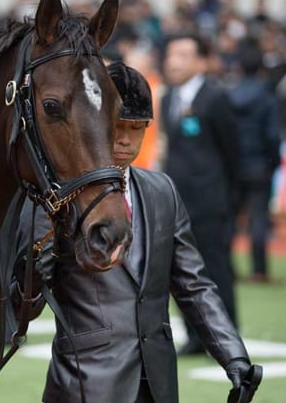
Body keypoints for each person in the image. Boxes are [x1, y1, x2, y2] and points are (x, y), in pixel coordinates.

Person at [15, 62, 252, 403]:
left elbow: (194, 285)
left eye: (138, 127)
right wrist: (36, 256)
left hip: (158, 384)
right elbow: (24, 304)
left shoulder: (162, 190)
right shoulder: (56, 198)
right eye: (118, 125)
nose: (126, 139)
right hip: (84, 385)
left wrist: (234, 357)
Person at [160, 32, 240, 355]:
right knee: (180, 273)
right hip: (176, 203)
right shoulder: (167, 98)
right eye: (170, 54)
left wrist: (230, 199)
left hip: (211, 201)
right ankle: (195, 336)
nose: (172, 61)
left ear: (201, 61)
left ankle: (228, 339)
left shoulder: (216, 97)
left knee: (216, 270)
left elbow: (232, 153)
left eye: (182, 55)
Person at [229, 38, 281, 283]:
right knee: (258, 219)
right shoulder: (267, 98)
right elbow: (272, 135)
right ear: (261, 69)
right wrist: (272, 161)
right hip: (259, 164)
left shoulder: (229, 95)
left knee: (229, 217)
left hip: (235, 165)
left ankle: (226, 266)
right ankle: (259, 270)